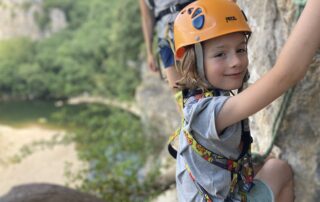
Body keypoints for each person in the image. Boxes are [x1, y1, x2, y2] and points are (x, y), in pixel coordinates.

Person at [173, 0, 320, 201]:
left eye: (240, 49)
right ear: (195, 61)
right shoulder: (209, 112)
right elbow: (285, 75)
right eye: (220, 54)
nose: (235, 62)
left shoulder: (196, 101)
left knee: (267, 164)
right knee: (279, 170)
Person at [139, 0, 195, 90]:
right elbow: (147, 18)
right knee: (178, 90)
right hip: (167, 37)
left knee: (207, 80)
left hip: (196, 28)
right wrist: (149, 53)